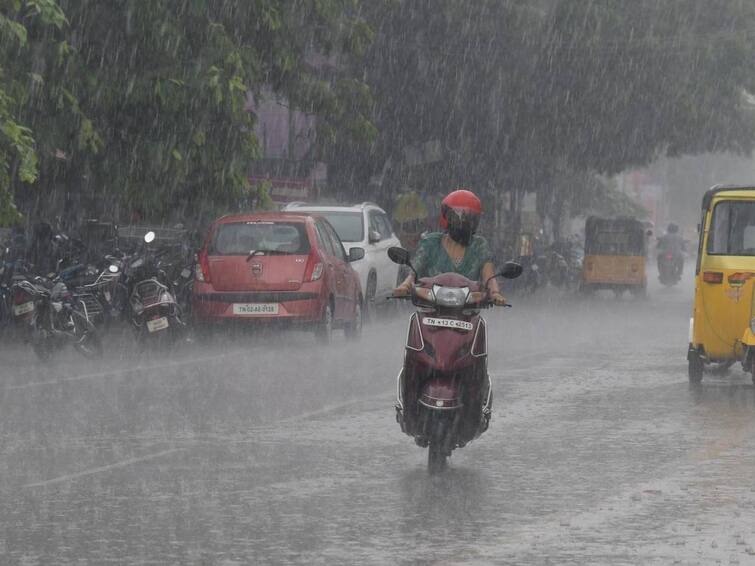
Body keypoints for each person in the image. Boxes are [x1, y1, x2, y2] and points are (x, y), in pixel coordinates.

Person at [393, 189, 506, 305]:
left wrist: (495, 293)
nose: (462, 223)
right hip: (430, 308)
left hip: (468, 311)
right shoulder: (431, 243)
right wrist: (405, 285)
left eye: (468, 219)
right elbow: (415, 271)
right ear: (446, 218)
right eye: (457, 218)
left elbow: (489, 277)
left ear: (475, 222)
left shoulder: (479, 245)